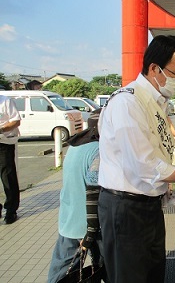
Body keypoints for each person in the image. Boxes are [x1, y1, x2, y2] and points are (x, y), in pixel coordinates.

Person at [97, 35, 175, 283]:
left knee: (153, 273)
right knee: (130, 276)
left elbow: (160, 152)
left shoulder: (156, 103)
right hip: (126, 208)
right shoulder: (128, 103)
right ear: (154, 69)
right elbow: (145, 164)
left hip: (149, 206)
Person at [48, 110, 108, 283]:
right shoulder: (99, 150)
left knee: (61, 271)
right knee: (105, 266)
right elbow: (94, 190)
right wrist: (90, 232)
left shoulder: (76, 146)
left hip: (68, 219)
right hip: (90, 224)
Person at [0, 94, 21, 224]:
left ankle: (11, 210)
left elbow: (16, 120)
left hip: (5, 142)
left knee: (8, 176)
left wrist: (1, 129)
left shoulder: (5, 101)